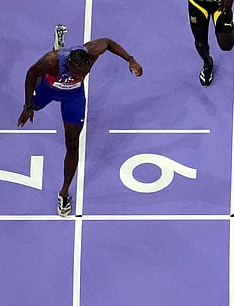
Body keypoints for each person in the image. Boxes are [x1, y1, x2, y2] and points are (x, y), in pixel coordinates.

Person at [18, 36, 142, 217]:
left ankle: (64, 193)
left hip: (73, 97)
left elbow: (107, 42)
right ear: (68, 64)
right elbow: (30, 73)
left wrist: (131, 60)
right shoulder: (51, 61)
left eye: (83, 73)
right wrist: (27, 106)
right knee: (37, 98)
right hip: (48, 88)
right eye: (76, 74)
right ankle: (56, 51)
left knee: (72, 144)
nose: (79, 76)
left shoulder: (91, 51)